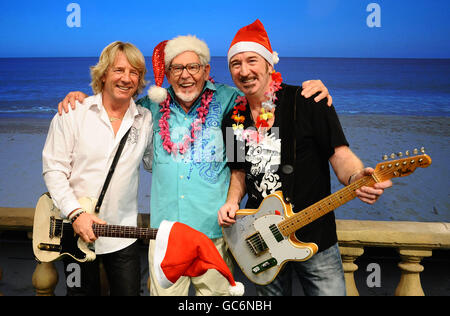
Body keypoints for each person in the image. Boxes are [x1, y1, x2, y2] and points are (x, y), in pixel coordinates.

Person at [57, 35, 333, 296]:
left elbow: (262, 99)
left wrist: (311, 91)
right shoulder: (149, 108)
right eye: (177, 68)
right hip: (164, 236)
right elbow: (113, 104)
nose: (185, 75)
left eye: (193, 67)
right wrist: (81, 98)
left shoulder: (230, 103)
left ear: (206, 69)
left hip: (214, 235)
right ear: (167, 72)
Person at [218, 19, 393, 296]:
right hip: (260, 239)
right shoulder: (232, 120)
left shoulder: (309, 100)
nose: (244, 70)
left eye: (252, 60)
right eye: (235, 64)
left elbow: (340, 155)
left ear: (269, 64)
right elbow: (239, 173)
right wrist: (231, 202)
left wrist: (357, 177)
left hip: (314, 237)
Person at [42, 41, 153, 296]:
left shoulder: (145, 119)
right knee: (78, 294)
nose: (127, 78)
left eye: (134, 72)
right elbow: (53, 169)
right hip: (75, 231)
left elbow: (153, 163)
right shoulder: (72, 113)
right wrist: (76, 214)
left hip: (123, 235)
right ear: (103, 74)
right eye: (119, 70)